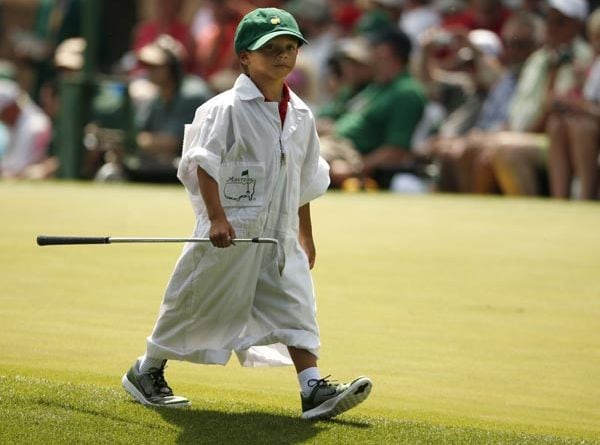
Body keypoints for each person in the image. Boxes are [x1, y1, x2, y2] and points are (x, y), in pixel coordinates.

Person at [121, 7, 373, 419]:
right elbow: (203, 163)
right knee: (195, 303)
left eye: (290, 47)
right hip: (230, 231)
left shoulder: (303, 115)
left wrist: (305, 234)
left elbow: (303, 180)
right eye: (270, 49)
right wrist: (218, 218)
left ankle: (313, 388)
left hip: (279, 234)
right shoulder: (225, 109)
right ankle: (146, 370)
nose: (282, 56)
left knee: (296, 305)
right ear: (244, 57)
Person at [487, 0, 593, 197]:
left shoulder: (583, 59)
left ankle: (530, 212)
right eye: (549, 21)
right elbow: (519, 106)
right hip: (525, 134)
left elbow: (557, 109)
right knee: (481, 148)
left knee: (508, 150)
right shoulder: (538, 59)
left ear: (577, 24)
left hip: (550, 138)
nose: (552, 28)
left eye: (560, 22)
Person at [319, 28, 427, 189]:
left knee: (299, 156)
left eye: (373, 47)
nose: (368, 52)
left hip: (348, 154)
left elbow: (396, 150)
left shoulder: (406, 91)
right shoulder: (375, 87)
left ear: (387, 51)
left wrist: (356, 169)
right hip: (333, 146)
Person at [543, 7, 600, 199]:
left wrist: (581, 106)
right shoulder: (594, 65)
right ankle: (560, 198)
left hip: (591, 125)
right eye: (596, 38)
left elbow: (589, 107)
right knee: (556, 124)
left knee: (582, 128)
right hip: (590, 121)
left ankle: (586, 197)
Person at [0, 79, 52, 178]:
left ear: (12, 107)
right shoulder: (16, 124)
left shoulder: (36, 125)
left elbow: (18, 169)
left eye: (2, 113)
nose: (1, 119)